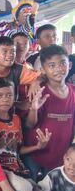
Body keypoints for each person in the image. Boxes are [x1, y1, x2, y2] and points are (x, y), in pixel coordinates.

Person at [23, 45, 75, 181]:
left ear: (69, 65)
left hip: (60, 156)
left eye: (62, 63)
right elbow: (29, 125)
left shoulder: (73, 91)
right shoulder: (39, 91)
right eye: (51, 65)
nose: (58, 69)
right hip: (36, 155)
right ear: (43, 70)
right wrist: (34, 109)